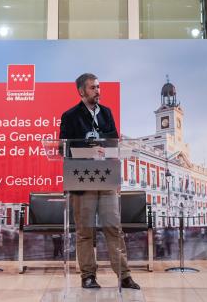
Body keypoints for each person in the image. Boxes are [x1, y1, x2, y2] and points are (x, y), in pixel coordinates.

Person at [59, 73, 140, 290]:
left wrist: (107, 147)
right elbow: (62, 148)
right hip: (82, 179)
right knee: (85, 231)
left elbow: (114, 142)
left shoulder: (106, 113)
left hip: (106, 177)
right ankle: (88, 276)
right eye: (93, 87)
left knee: (114, 228)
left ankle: (124, 275)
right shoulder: (70, 116)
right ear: (81, 91)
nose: (98, 91)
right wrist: (88, 149)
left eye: (98, 87)